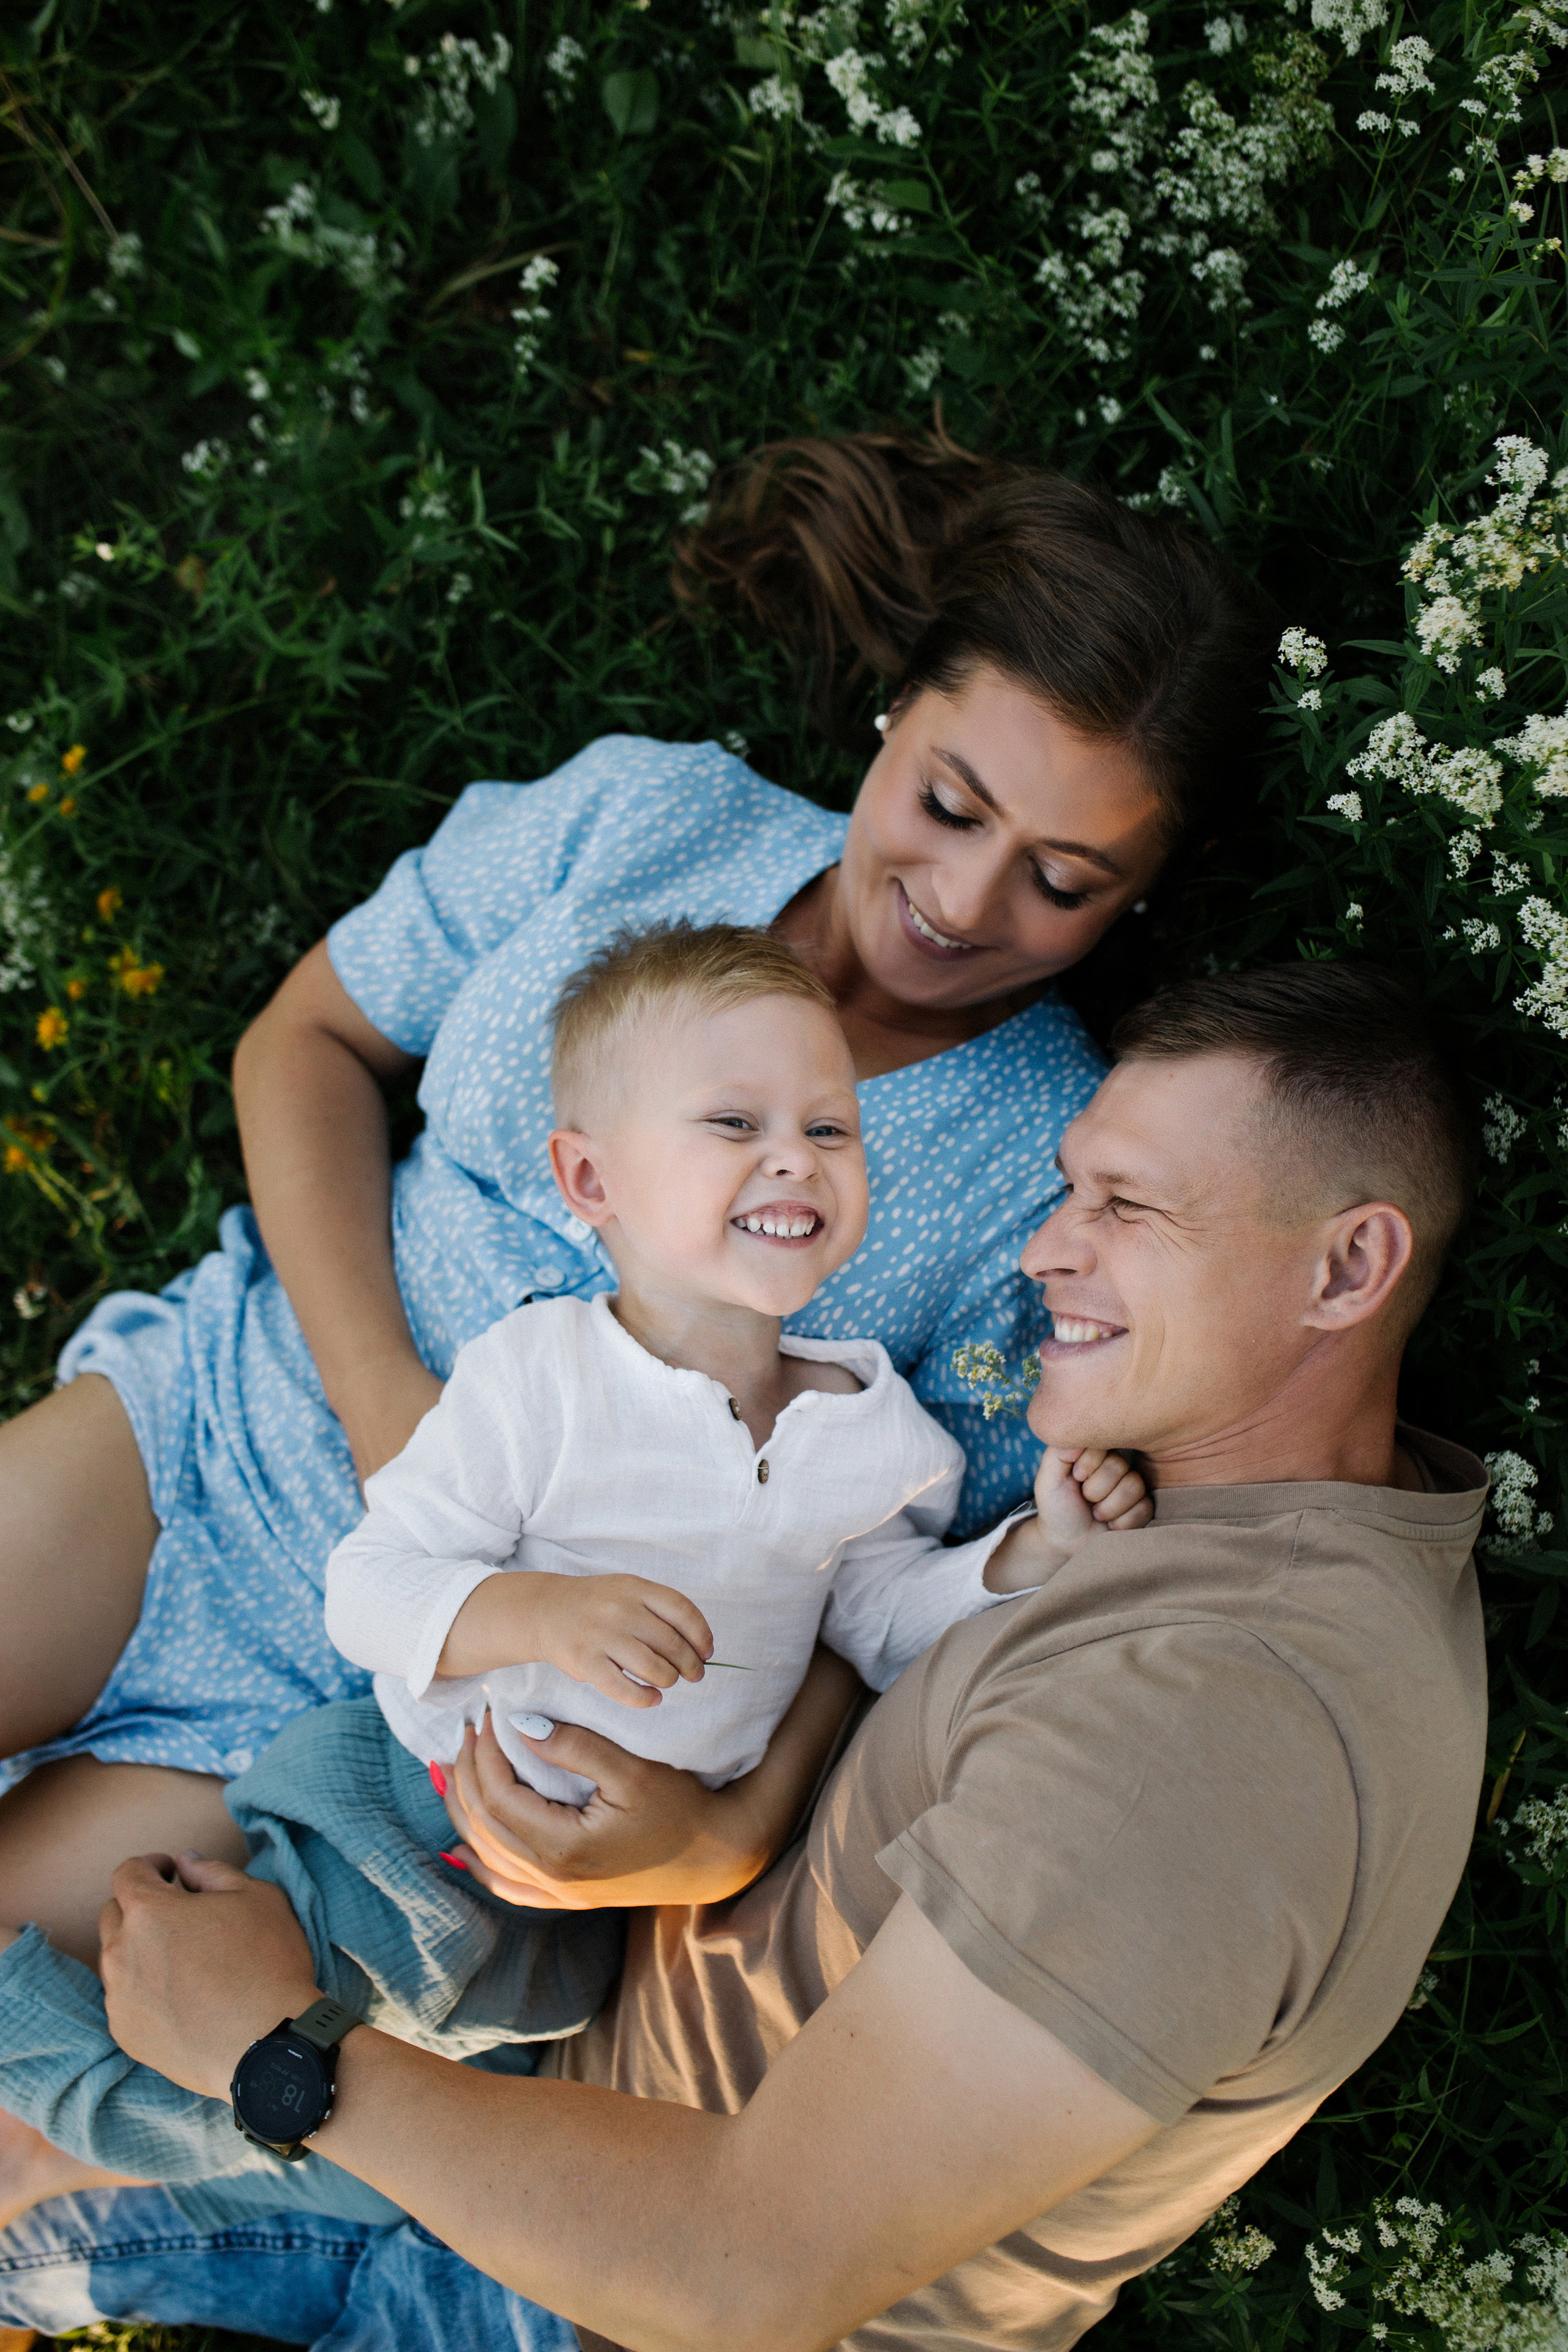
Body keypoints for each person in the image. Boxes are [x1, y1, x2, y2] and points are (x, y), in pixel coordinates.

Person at [0, 961, 1490, 2352]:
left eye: (1126, 1207)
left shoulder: (1218, 1727)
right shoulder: (1204, 1539)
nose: (1046, 1250)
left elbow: (748, 2268)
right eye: (1065, 1193)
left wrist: (282, 2052)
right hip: (539, 2067)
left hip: (592, 2283)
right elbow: (857, 1616)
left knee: (55, 2103)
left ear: (1346, 1266)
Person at [0, 433, 1270, 1963]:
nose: (962, 902)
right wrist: (385, 1408)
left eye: (1061, 882)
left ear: (1131, 900)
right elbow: (308, 1042)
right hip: (228, 1432)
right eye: (948, 802)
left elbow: (882, 1586)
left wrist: (729, 1828)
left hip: (422, 1726)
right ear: (893, 714)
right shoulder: (651, 820)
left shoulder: (1049, 1161)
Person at [0, 922, 1149, 2225]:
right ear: (589, 1179)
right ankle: (38, 2071)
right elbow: (371, 1584)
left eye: (830, 1130)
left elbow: (879, 1622)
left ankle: (270, 2165)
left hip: (576, 1914)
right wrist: (538, 1612)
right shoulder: (538, 1377)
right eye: (733, 1121)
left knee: (368, 2110)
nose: (795, 1156)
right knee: (222, 2071)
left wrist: (1024, 1555)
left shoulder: (879, 1433)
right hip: (417, 1814)